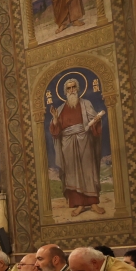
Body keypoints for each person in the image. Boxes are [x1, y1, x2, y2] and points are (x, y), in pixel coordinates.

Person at [50, 78, 106, 217]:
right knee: (72, 173)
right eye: (69, 88)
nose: (71, 90)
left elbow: (93, 123)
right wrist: (55, 119)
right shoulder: (61, 109)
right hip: (67, 144)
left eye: (74, 87)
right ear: (65, 91)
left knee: (88, 171)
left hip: (85, 140)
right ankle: (80, 205)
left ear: (78, 88)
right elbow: (55, 131)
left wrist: (96, 121)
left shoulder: (86, 104)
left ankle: (93, 204)